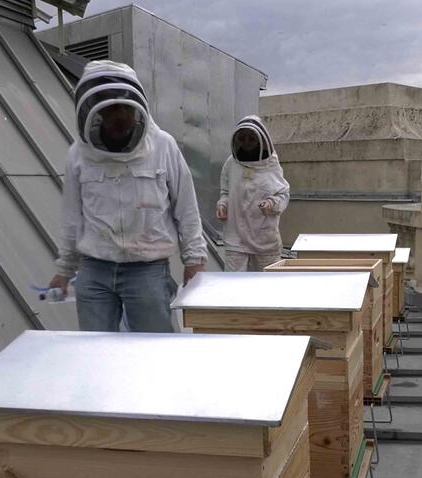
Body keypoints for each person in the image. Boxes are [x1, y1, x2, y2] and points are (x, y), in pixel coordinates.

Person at [49, 61, 206, 332]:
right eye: (111, 108)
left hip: (147, 270)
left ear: (136, 107)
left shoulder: (163, 146)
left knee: (155, 351)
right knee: (95, 352)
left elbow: (186, 208)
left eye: (124, 107)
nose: (119, 116)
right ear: (95, 110)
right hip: (94, 270)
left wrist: (194, 260)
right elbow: (72, 218)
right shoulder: (78, 154)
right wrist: (64, 270)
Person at [216, 115, 290, 271]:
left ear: (260, 140)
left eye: (251, 139)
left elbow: (283, 195)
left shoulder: (271, 164)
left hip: (264, 239)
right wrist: (223, 205)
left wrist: (271, 204)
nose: (247, 143)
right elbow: (225, 192)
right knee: (233, 287)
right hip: (235, 238)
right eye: (243, 139)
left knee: (266, 287)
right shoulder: (231, 163)